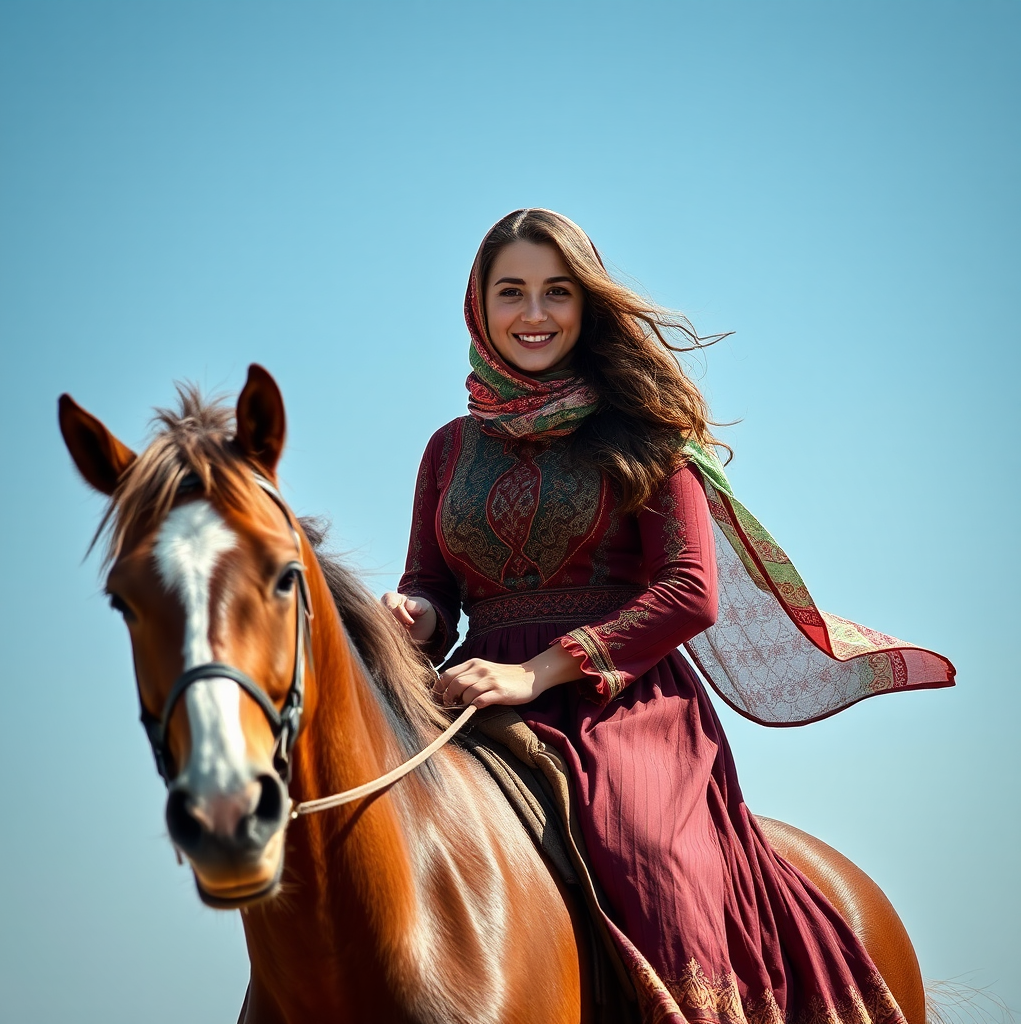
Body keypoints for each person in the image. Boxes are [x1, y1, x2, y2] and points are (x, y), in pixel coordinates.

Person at [381, 209, 955, 1023]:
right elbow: (431, 582)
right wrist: (417, 617)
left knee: (649, 857)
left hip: (626, 703)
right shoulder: (447, 447)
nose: (534, 314)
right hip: (475, 688)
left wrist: (536, 672)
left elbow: (691, 591)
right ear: (480, 306)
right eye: (512, 292)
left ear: (586, 307)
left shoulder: (647, 433)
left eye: (557, 292)